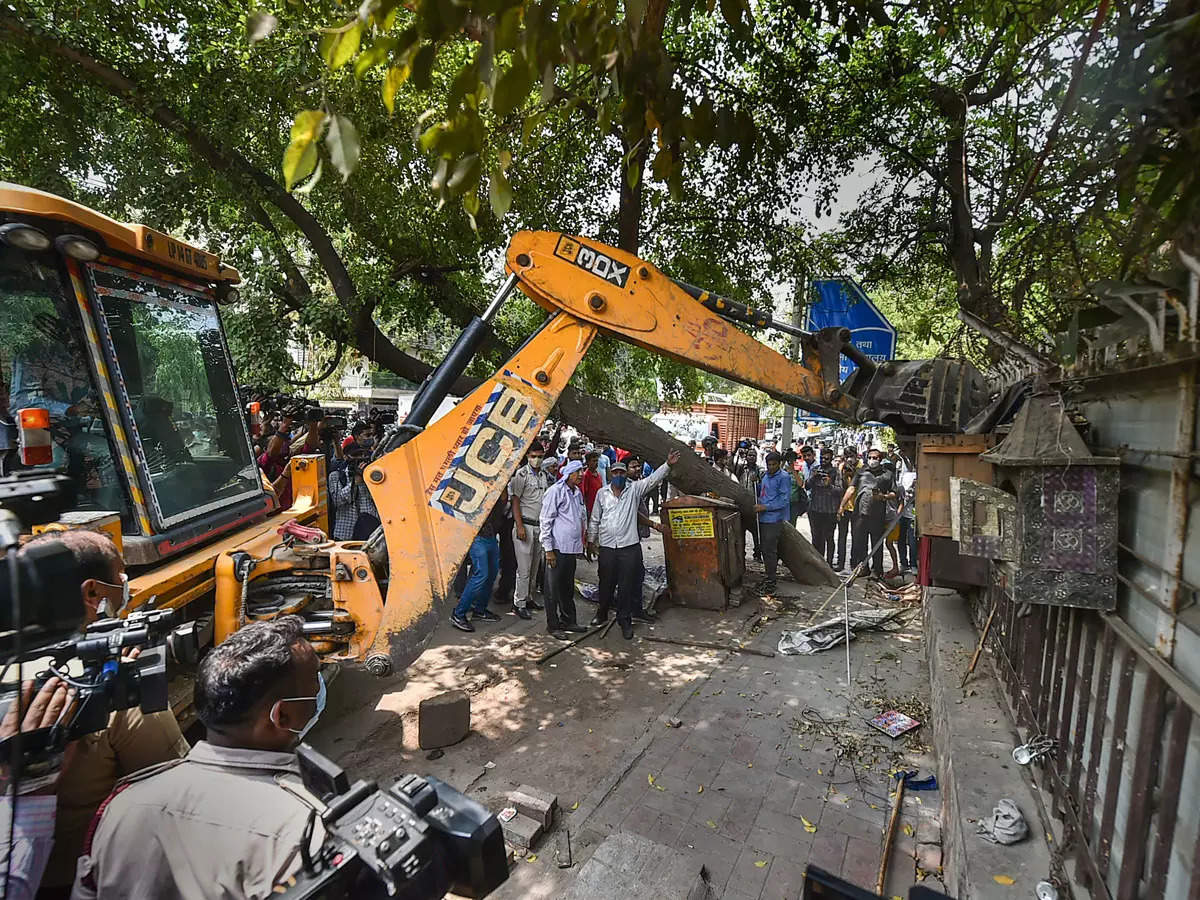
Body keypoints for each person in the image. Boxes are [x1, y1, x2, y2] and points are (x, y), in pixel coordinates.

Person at [73, 616, 326, 899]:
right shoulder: (300, 826)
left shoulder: (120, 806)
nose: (319, 687)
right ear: (281, 716)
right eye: (316, 678)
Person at [16, 531, 190, 898]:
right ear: (92, 593)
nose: (126, 584)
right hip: (93, 878)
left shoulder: (13, 679)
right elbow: (178, 795)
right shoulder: (113, 692)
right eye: (121, 573)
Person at [586, 451, 679, 639]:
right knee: (606, 582)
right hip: (607, 546)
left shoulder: (634, 490)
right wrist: (590, 541)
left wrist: (667, 465)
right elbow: (595, 519)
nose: (619, 476)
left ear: (625, 474)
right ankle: (601, 613)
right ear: (611, 474)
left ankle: (625, 619)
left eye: (622, 473)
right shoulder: (602, 494)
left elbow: (653, 480)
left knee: (626, 584)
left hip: (628, 546)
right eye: (616, 473)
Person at [539, 459, 589, 639]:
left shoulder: (577, 493)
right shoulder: (555, 492)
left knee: (567, 587)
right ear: (569, 474)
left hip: (571, 549)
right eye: (578, 472)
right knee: (552, 589)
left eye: (582, 471)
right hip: (557, 548)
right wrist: (548, 549)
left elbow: (581, 517)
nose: (581, 475)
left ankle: (569, 620)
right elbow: (545, 521)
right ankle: (553, 626)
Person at [450, 499, 506, 632]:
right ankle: (458, 614)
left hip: (490, 536)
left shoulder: (503, 490)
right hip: (477, 535)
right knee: (481, 573)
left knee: (492, 572)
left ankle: (479, 610)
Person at [840, 447, 896, 579]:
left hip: (878, 515)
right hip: (859, 514)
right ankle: (863, 568)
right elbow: (851, 489)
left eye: (875, 458)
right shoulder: (861, 472)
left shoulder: (887, 474)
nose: (872, 460)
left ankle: (877, 570)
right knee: (860, 542)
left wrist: (884, 497)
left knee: (877, 543)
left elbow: (894, 493)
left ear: (880, 459)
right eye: (870, 458)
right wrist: (842, 506)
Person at [508, 442, 549, 620]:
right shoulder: (521, 474)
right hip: (524, 525)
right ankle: (519, 603)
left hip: (538, 526)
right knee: (524, 569)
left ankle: (529, 597)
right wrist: (519, 525)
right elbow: (515, 500)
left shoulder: (542, 475)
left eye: (540, 456)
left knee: (534, 568)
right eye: (534, 456)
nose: (537, 459)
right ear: (527, 456)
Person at [754, 451, 791, 594]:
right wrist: (756, 484)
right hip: (763, 517)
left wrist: (765, 507)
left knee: (770, 550)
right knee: (764, 549)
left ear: (779, 464)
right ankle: (769, 576)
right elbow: (763, 492)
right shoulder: (765, 476)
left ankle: (771, 581)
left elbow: (784, 500)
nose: (771, 467)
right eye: (769, 465)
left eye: (774, 465)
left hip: (774, 518)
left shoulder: (784, 477)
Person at [327, 448, 380, 541]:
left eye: (363, 454)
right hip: (345, 533)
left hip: (370, 531)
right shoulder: (336, 475)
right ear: (346, 456)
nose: (360, 458)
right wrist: (355, 482)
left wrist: (367, 479)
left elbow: (380, 498)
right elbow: (337, 501)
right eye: (356, 455)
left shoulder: (373, 473)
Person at [806, 460, 843, 569]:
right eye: (822, 458)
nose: (824, 460)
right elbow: (806, 486)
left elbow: (840, 490)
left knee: (829, 537)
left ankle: (829, 563)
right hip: (815, 509)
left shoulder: (836, 472)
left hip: (830, 510)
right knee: (816, 538)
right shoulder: (815, 469)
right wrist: (813, 477)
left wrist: (829, 485)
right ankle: (818, 562)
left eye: (827, 458)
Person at [898, 468, 918, 574]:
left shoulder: (918, 477)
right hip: (902, 515)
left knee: (912, 541)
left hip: (913, 516)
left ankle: (913, 564)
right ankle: (903, 563)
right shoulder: (904, 476)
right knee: (901, 540)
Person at [580, 450, 605, 516]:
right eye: (594, 461)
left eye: (597, 461)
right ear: (588, 462)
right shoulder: (586, 476)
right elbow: (584, 494)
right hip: (590, 509)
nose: (596, 463)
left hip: (599, 506)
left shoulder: (598, 475)